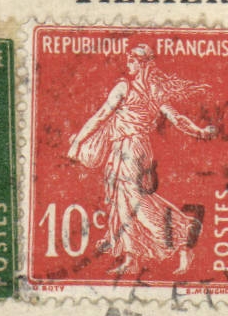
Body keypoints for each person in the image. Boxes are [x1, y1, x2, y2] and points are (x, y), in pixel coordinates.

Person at [66, 44, 217, 277]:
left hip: (130, 148)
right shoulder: (155, 90)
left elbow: (100, 116)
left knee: (136, 201)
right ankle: (131, 257)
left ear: (140, 63)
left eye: (131, 60)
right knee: (122, 200)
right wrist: (199, 131)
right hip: (133, 148)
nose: (128, 63)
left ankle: (185, 235)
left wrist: (78, 142)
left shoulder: (124, 87)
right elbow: (177, 119)